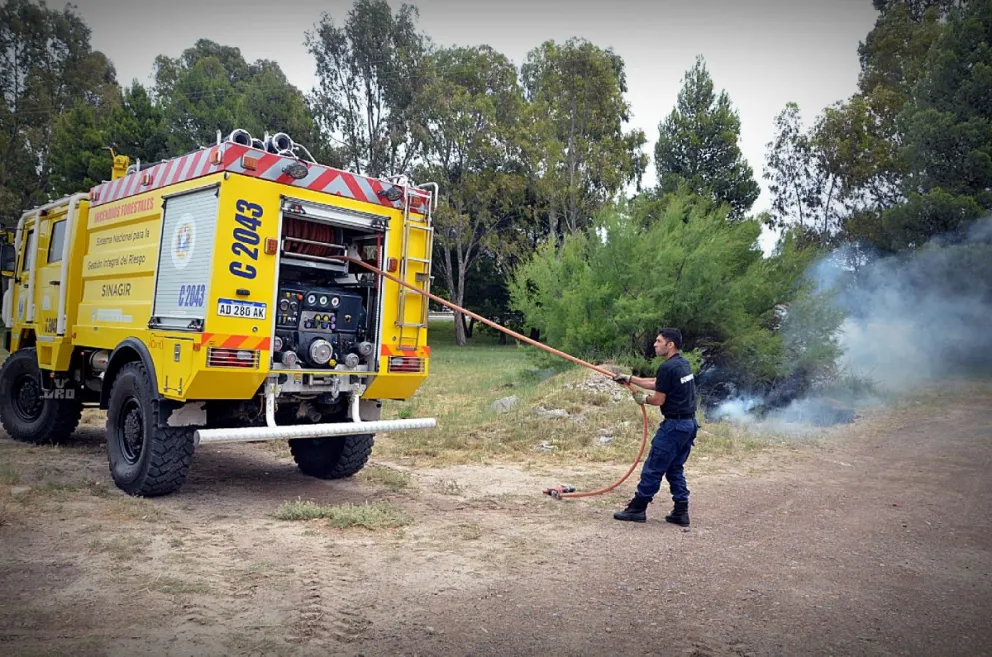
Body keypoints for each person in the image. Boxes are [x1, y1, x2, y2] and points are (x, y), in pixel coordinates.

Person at [611, 328, 699, 525]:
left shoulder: (668, 367)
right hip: (689, 424)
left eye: (659, 341)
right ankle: (680, 512)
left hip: (674, 427)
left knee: (653, 468)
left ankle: (637, 508)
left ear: (670, 345)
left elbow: (659, 399)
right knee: (675, 468)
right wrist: (630, 378)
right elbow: (657, 383)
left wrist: (643, 399)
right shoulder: (682, 364)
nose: (654, 344)